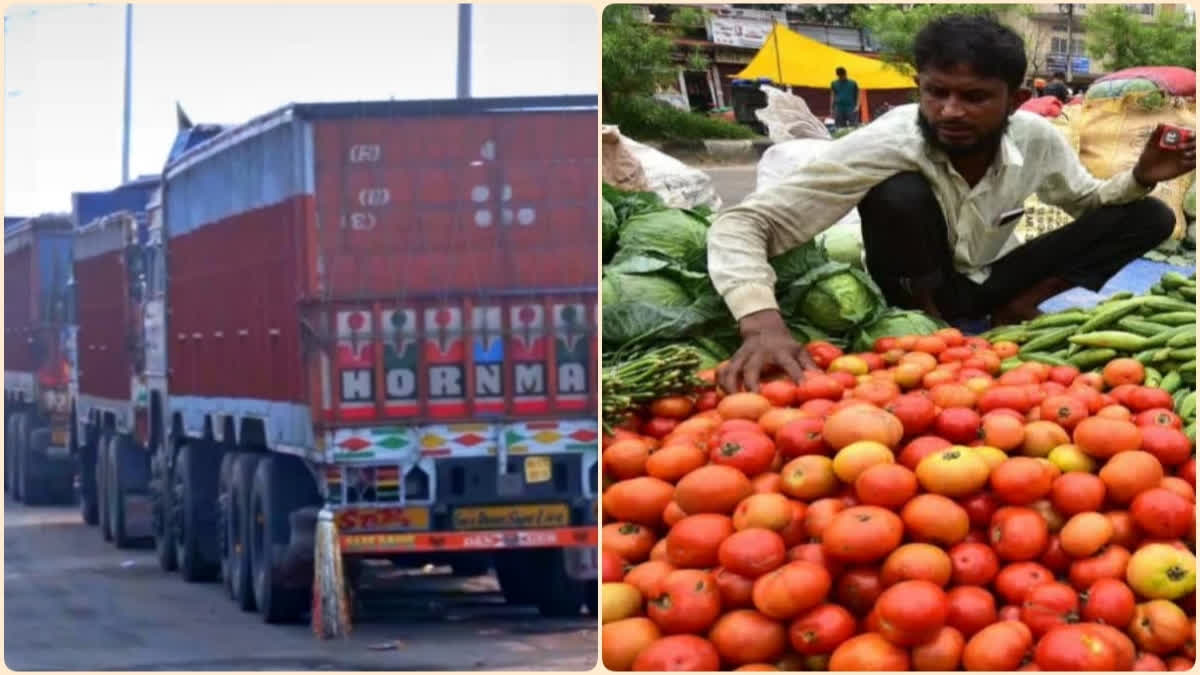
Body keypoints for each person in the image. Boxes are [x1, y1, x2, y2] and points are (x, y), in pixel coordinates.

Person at [707, 13, 1193, 394]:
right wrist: (760, 323)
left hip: (993, 278)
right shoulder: (889, 140)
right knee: (900, 192)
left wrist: (1140, 177)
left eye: (975, 97)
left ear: (1015, 98)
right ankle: (932, 324)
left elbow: (1088, 203)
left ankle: (1019, 306)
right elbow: (744, 223)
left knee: (1149, 214)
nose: (950, 111)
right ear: (920, 85)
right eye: (936, 92)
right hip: (916, 288)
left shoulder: (1037, 137)